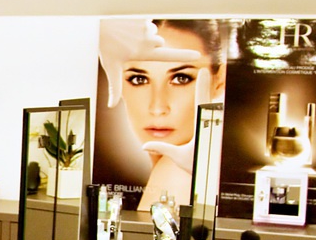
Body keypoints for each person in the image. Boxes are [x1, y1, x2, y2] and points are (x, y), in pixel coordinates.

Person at [97, 18, 226, 210]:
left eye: (181, 78)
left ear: (219, 80)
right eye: (139, 79)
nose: (157, 107)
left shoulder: (175, 172)